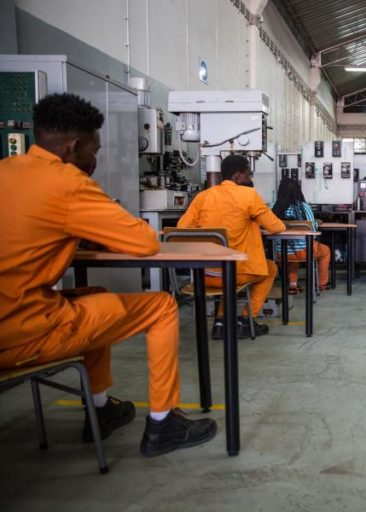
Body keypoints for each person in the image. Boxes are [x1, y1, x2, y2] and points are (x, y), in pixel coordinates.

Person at [0, 93, 216, 457]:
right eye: (93, 150)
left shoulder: (7, 169)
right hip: (23, 333)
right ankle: (164, 423)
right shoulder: (69, 183)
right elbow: (144, 242)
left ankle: (100, 409)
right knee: (162, 306)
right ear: (73, 146)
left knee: (94, 294)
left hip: (13, 314)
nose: (95, 159)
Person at [178, 154, 285, 338]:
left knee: (228, 274)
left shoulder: (203, 196)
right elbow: (277, 227)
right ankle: (246, 319)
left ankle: (221, 322)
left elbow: (182, 229)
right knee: (270, 269)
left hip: (204, 274)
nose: (250, 179)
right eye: (248, 174)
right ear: (237, 176)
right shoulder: (248, 195)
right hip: (235, 273)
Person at [270, 178, 331, 294]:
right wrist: (316, 223)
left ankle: (292, 285)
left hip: (280, 253)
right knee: (326, 251)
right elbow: (312, 232)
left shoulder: (272, 207)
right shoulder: (304, 207)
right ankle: (322, 284)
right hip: (304, 252)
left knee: (290, 254)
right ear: (298, 191)